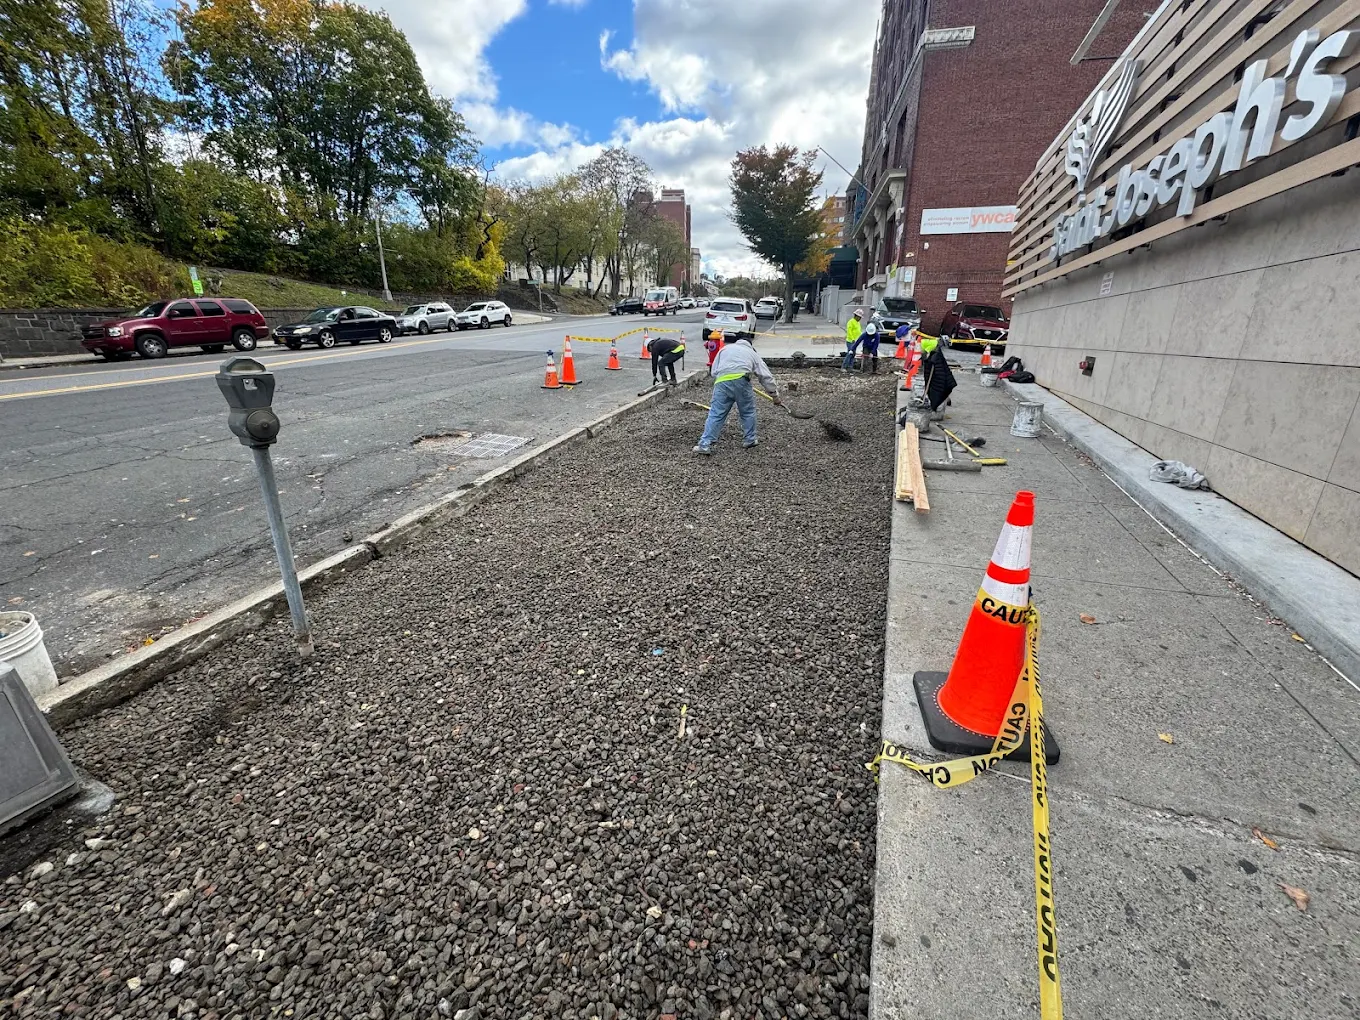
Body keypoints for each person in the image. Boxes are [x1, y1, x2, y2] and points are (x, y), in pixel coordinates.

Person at [693, 334, 781, 455]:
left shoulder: (724, 349)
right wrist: (774, 395)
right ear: (750, 345)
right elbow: (765, 376)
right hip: (742, 381)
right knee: (747, 412)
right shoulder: (752, 353)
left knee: (716, 413)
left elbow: (714, 371)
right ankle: (750, 439)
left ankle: (704, 444)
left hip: (721, 382)